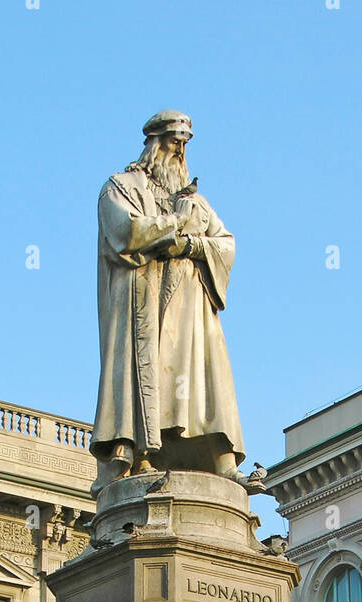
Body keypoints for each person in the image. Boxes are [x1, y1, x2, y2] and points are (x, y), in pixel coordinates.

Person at [90, 111, 245, 495]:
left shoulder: (196, 201)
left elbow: (226, 244)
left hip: (192, 317)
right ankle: (137, 450)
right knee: (143, 377)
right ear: (153, 144)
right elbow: (124, 231)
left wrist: (192, 245)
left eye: (184, 145)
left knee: (203, 381)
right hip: (140, 308)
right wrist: (174, 225)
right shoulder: (121, 187)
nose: (179, 152)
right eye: (173, 142)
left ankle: (219, 459)